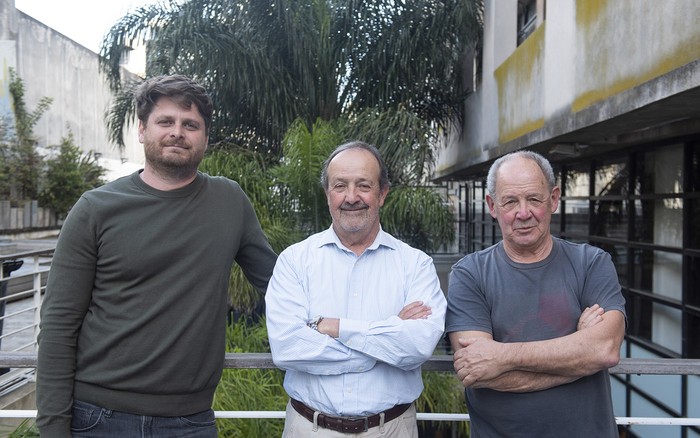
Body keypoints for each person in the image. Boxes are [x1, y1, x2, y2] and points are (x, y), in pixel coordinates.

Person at [36, 74, 277, 437]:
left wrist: (364, 319)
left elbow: (279, 283)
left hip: (190, 421)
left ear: (205, 138)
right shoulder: (96, 209)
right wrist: (53, 428)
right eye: (165, 121)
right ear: (142, 130)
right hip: (97, 418)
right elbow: (58, 325)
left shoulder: (229, 202)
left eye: (190, 124)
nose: (177, 132)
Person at [265, 141, 446, 437]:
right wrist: (388, 335)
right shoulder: (294, 261)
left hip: (392, 429)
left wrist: (335, 328)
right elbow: (288, 349)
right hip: (310, 429)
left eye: (363, 185)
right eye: (340, 186)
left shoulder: (415, 264)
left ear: (382, 193)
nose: (351, 197)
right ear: (327, 194)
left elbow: (417, 346)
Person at [446, 150, 626, 438]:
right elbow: (477, 371)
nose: (523, 213)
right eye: (510, 202)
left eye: (534, 199)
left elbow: (604, 349)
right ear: (492, 206)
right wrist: (579, 349)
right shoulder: (469, 274)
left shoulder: (592, 263)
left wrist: (501, 356)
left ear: (553, 199)